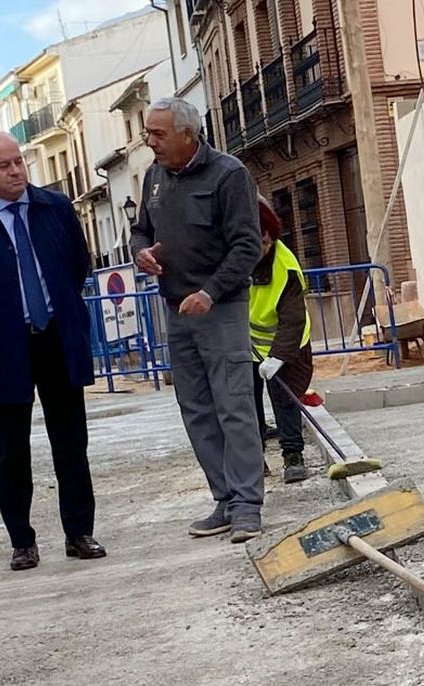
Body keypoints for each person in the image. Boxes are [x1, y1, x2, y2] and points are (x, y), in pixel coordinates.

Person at [0, 132, 105, 572]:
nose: (15, 171)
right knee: (11, 447)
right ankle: (21, 540)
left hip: (57, 336)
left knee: (71, 440)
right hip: (5, 344)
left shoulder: (55, 208)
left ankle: (79, 532)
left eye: (19, 162)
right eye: (3, 166)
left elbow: (78, 265)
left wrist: (57, 308)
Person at [130, 97, 266, 543]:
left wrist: (210, 292)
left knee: (235, 407)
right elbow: (141, 229)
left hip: (220, 309)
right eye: (148, 133)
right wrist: (141, 252)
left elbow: (247, 246)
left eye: (158, 134)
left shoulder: (229, 174)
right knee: (196, 410)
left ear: (188, 134)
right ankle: (224, 499)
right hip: (176, 312)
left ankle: (248, 506)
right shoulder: (154, 178)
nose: (150, 143)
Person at [249, 197, 314, 485]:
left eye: (266, 242)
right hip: (246, 344)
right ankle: (253, 459)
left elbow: (292, 320)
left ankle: (293, 456)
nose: (262, 249)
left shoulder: (285, 268)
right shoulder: (231, 259)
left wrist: (277, 357)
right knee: (246, 405)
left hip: (286, 345)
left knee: (285, 400)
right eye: (256, 242)